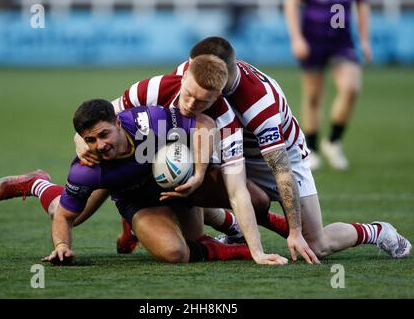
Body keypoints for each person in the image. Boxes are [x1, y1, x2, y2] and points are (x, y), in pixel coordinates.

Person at [100, 37, 409, 261]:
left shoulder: (259, 103)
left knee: (316, 245)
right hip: (227, 148)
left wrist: (295, 231)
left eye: (205, 95)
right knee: (175, 161)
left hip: (277, 158)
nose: (192, 97)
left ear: (223, 79)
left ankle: (376, 231)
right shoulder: (191, 75)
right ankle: (154, 216)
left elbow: (282, 172)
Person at [0, 56, 289, 266]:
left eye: (104, 135)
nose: (100, 145)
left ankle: (246, 224)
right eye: (90, 140)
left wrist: (197, 174)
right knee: (174, 252)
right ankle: (39, 184)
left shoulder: (150, 120)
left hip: (168, 184)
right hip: (130, 194)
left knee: (250, 199)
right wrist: (62, 247)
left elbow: (204, 125)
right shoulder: (87, 168)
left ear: (118, 123)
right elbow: (64, 219)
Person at [284, 0, 372, 170]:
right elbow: (291, 3)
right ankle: (312, 149)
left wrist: (364, 40)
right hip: (313, 39)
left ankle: (333, 140)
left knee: (351, 88)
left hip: (341, 42)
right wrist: (296, 38)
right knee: (313, 96)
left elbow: (363, 4)